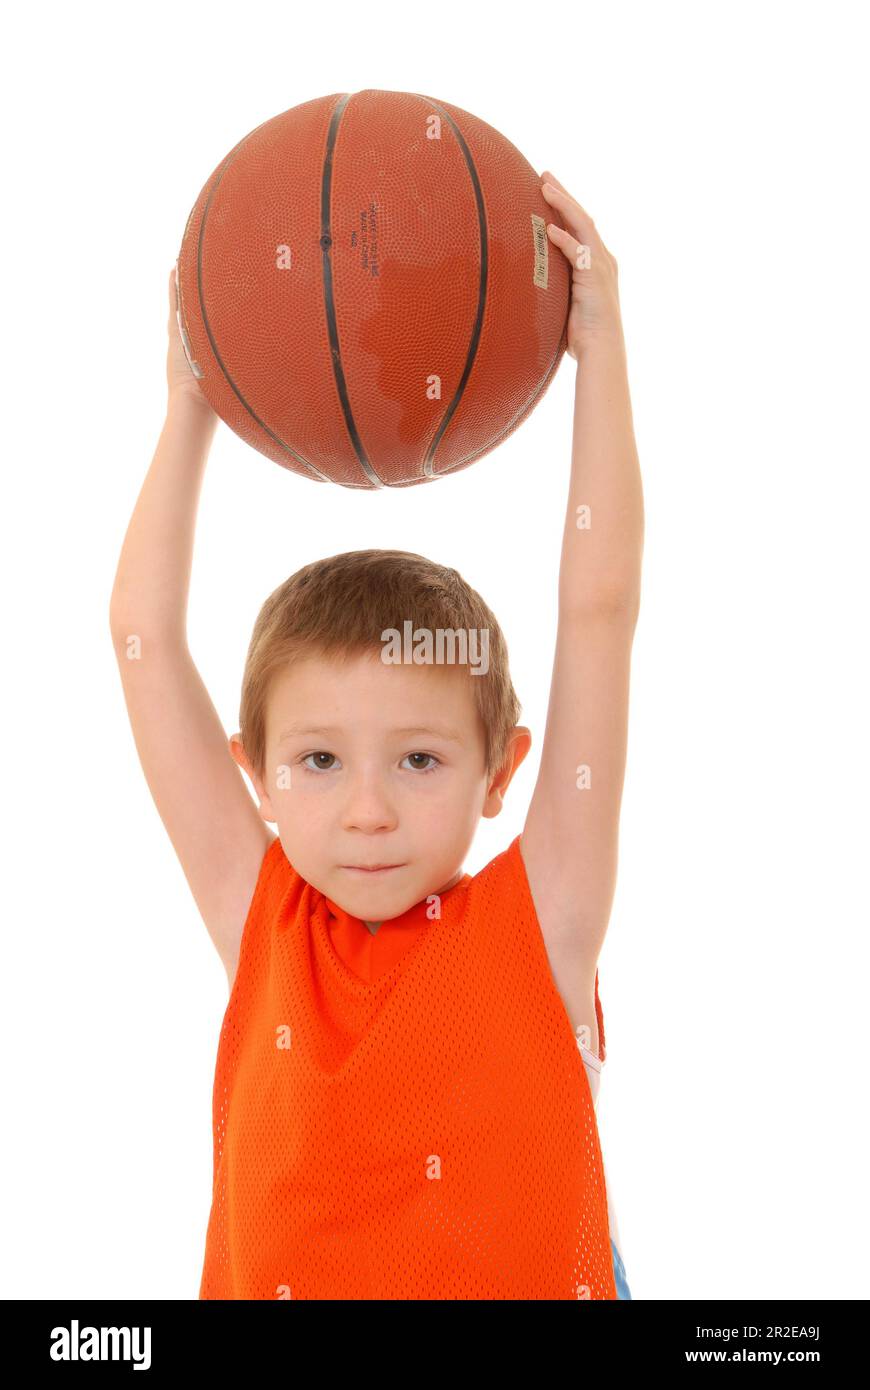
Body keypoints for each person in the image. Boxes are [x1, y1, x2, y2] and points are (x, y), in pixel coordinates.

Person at [109, 170, 643, 1299]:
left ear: (503, 772)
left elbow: (600, 611)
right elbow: (141, 635)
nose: (367, 808)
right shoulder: (264, 917)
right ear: (253, 774)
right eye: (318, 760)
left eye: (419, 758)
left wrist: (602, 358)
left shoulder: (545, 916)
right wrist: (194, 402)